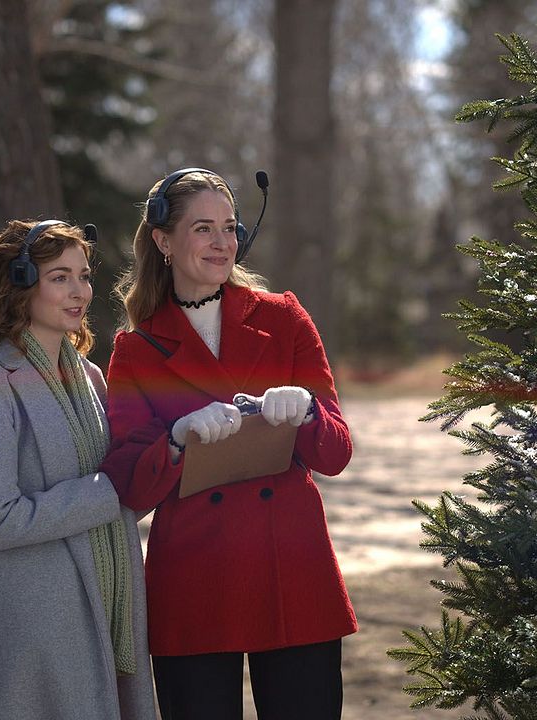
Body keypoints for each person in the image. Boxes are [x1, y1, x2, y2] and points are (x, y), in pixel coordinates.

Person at [100, 169, 357, 720]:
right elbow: (127, 482)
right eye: (203, 228)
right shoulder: (136, 348)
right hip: (194, 576)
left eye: (230, 227)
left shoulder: (284, 319)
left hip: (290, 565)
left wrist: (308, 411)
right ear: (163, 241)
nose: (222, 243)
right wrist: (175, 439)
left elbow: (335, 453)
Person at [0, 219, 155, 720]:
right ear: (18, 284)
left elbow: (117, 492)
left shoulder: (90, 376)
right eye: (59, 277)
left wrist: (161, 463)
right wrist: (113, 490)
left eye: (84, 275)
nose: (79, 290)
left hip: (102, 602)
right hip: (29, 618)